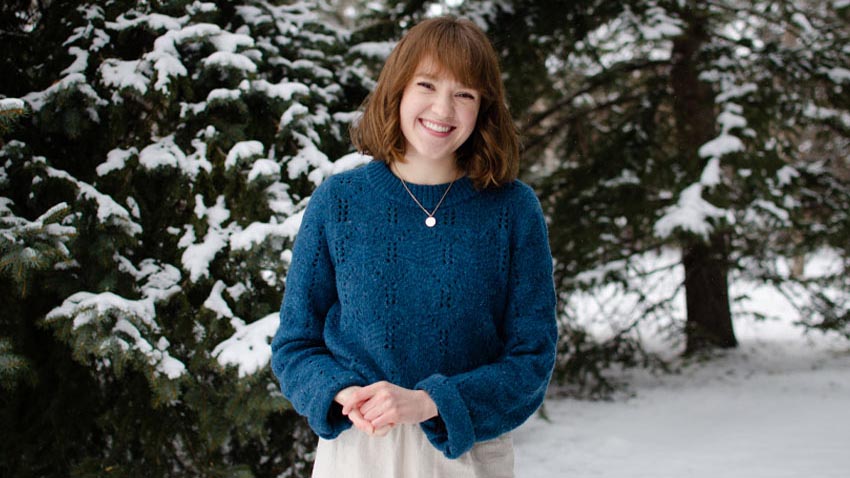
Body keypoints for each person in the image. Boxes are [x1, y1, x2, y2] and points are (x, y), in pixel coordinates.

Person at [270, 16, 557, 478]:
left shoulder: (513, 209)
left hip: (468, 455)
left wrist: (428, 402)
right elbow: (294, 345)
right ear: (398, 89)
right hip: (359, 452)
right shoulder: (338, 202)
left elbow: (531, 361)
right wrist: (343, 393)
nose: (443, 109)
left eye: (464, 93)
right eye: (427, 84)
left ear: (483, 108)